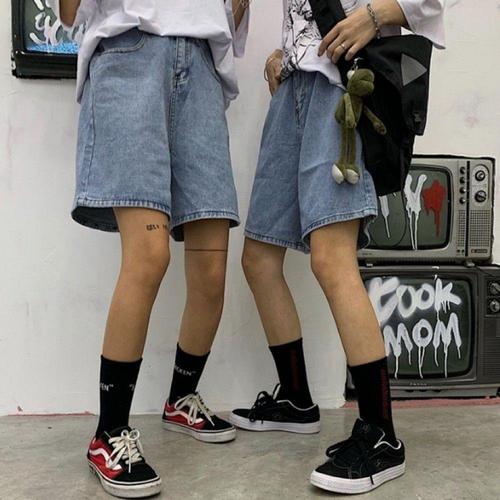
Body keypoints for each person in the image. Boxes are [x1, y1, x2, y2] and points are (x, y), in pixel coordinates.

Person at [229, 0, 444, 494]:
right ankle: (297, 400)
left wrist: (377, 15)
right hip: (295, 89)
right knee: (259, 257)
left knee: (332, 259)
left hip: (344, 88)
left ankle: (381, 434)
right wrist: (285, 52)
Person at [51, 0, 250, 497]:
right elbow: (69, 13)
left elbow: (233, 18)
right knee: (149, 256)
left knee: (211, 271)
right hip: (131, 56)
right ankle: (109, 433)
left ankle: (181, 399)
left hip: (202, 67)